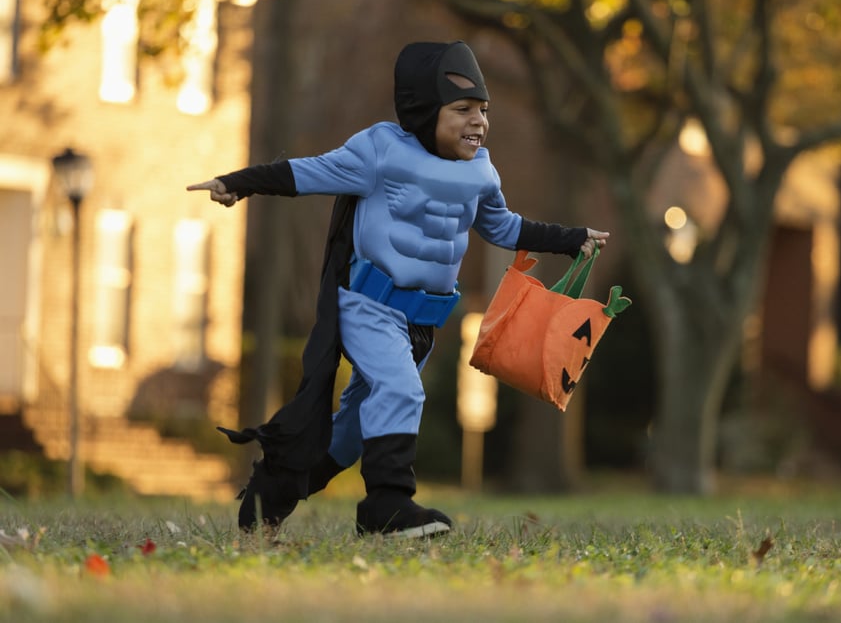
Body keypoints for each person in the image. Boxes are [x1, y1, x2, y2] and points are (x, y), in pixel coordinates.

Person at [188, 40, 609, 539]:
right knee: (402, 391)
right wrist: (239, 182)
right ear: (423, 112)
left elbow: (504, 229)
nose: (478, 122)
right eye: (462, 110)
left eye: (483, 110)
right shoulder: (380, 152)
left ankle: (263, 506)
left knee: (348, 437)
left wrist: (571, 238)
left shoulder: (481, 172)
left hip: (422, 323)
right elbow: (309, 172)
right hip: (369, 306)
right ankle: (387, 508)